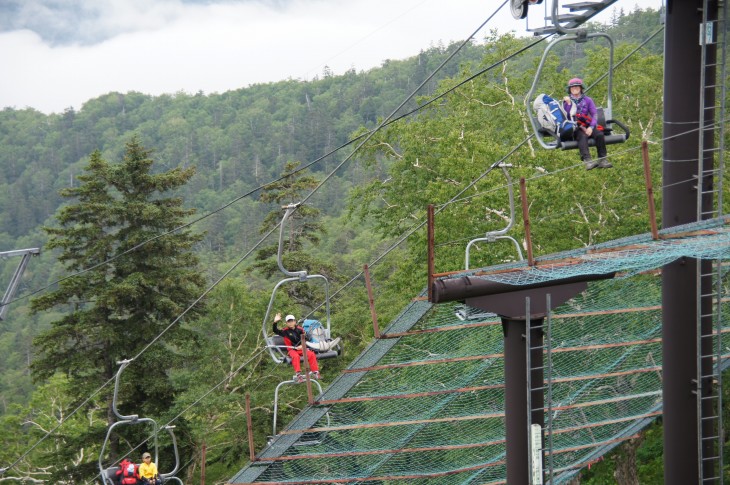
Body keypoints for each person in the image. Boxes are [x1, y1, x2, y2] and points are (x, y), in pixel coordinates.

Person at [562, 77, 612, 170]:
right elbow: (568, 116)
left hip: (587, 125)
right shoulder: (566, 102)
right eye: (572, 87)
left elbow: (594, 114)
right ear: (570, 90)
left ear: (581, 88)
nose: (575, 89)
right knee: (583, 136)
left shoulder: (588, 100)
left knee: (599, 134)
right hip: (575, 127)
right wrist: (568, 104)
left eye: (577, 86)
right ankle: (587, 160)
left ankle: (602, 159)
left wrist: (591, 127)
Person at [273, 313, 320, 382]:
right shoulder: (285, 331)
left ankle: (315, 372)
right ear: (286, 323)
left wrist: (302, 345)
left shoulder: (300, 329)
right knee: (295, 356)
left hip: (301, 348)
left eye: (292, 321)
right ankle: (298, 374)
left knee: (311, 354)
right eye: (289, 322)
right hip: (292, 350)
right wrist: (275, 322)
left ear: (295, 321)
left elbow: (305, 338)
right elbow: (275, 330)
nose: (291, 323)